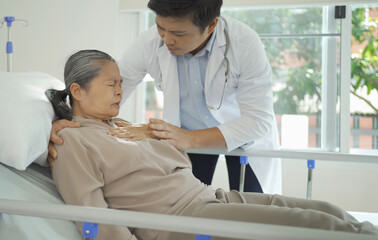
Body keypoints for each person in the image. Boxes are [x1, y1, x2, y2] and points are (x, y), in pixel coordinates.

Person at [46, 49, 377, 240]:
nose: (120, 90)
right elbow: (91, 214)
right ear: (77, 91)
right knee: (321, 228)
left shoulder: (123, 125)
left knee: (325, 210)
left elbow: (176, 164)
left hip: (209, 196)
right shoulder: (70, 142)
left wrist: (156, 134)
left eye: (121, 82)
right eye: (111, 83)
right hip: (180, 219)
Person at [49, 0, 281, 194]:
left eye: (178, 33)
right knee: (191, 202)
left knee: (253, 206)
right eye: (161, 27)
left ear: (211, 25)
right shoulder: (150, 42)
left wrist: (189, 138)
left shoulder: (244, 43)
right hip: (185, 135)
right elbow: (108, 94)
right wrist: (68, 122)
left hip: (242, 136)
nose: (167, 39)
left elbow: (258, 120)